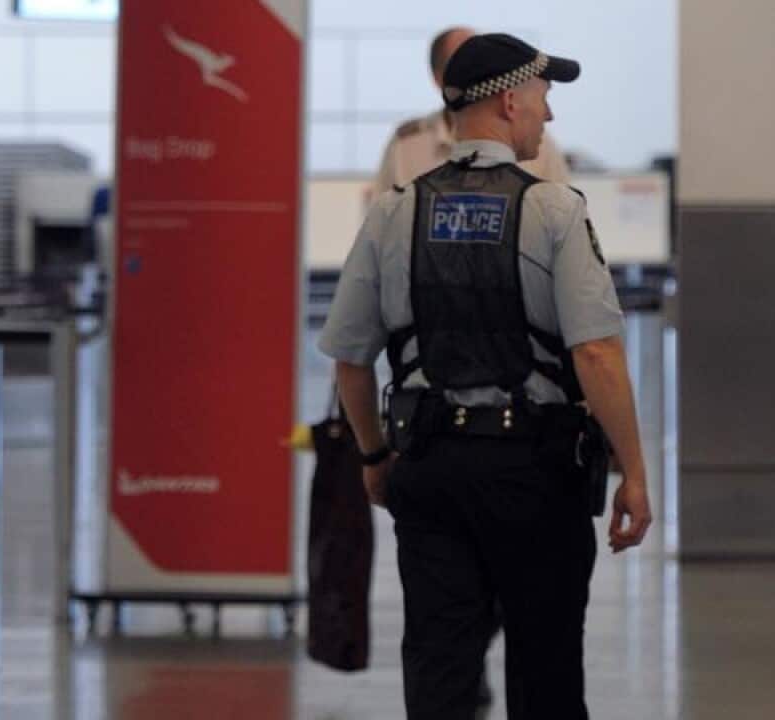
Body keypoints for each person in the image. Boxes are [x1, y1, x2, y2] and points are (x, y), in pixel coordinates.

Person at [320, 32, 652, 720]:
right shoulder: (554, 208)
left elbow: (350, 355)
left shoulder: (393, 211)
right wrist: (636, 471)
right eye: (542, 96)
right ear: (508, 101)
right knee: (546, 667)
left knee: (440, 670)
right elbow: (596, 355)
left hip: (429, 468)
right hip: (536, 473)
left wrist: (376, 455)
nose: (548, 115)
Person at [372, 26, 571, 196]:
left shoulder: (538, 144)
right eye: (461, 65)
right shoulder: (407, 143)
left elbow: (563, 221)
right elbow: (380, 229)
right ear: (439, 78)